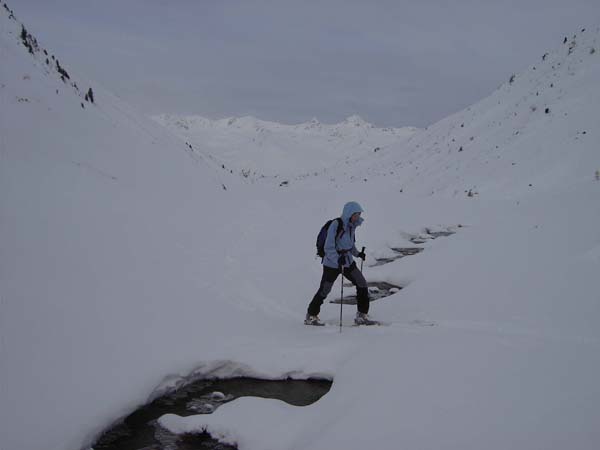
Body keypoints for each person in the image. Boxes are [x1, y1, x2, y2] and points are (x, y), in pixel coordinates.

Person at [305, 201, 372, 326]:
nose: (358, 217)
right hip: (331, 264)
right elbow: (328, 247)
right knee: (325, 290)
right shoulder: (336, 224)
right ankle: (311, 315)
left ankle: (362, 315)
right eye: (356, 214)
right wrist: (337, 259)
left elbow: (350, 245)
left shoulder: (352, 226)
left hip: (347, 262)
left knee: (361, 283)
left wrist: (357, 254)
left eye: (359, 214)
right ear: (349, 213)